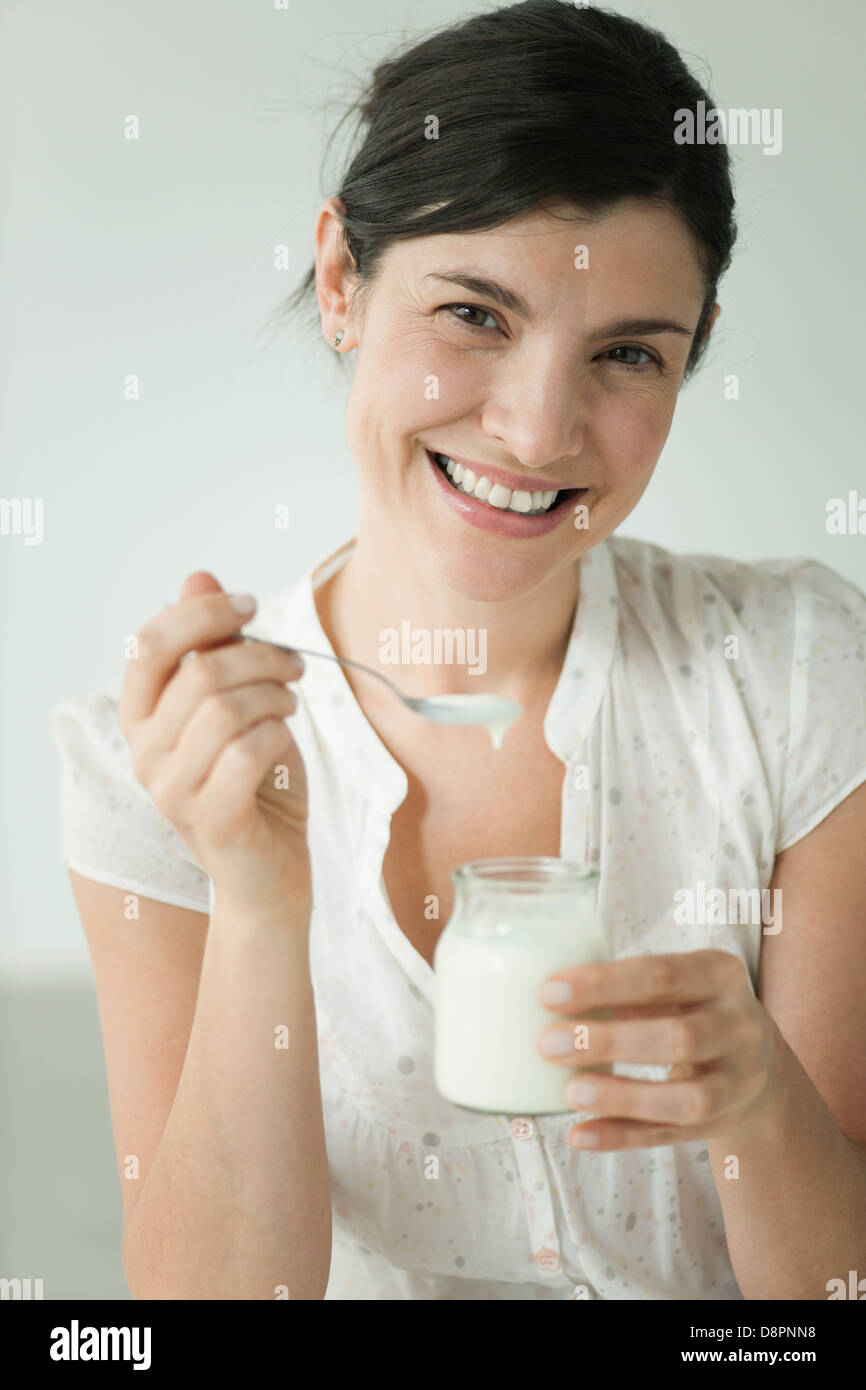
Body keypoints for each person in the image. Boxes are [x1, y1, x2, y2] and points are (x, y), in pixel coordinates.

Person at [52, 0, 866, 1300]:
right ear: (339, 282)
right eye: (475, 316)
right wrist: (260, 898)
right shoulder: (153, 763)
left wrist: (761, 1107)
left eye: (625, 354)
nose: (538, 431)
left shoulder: (799, 677)